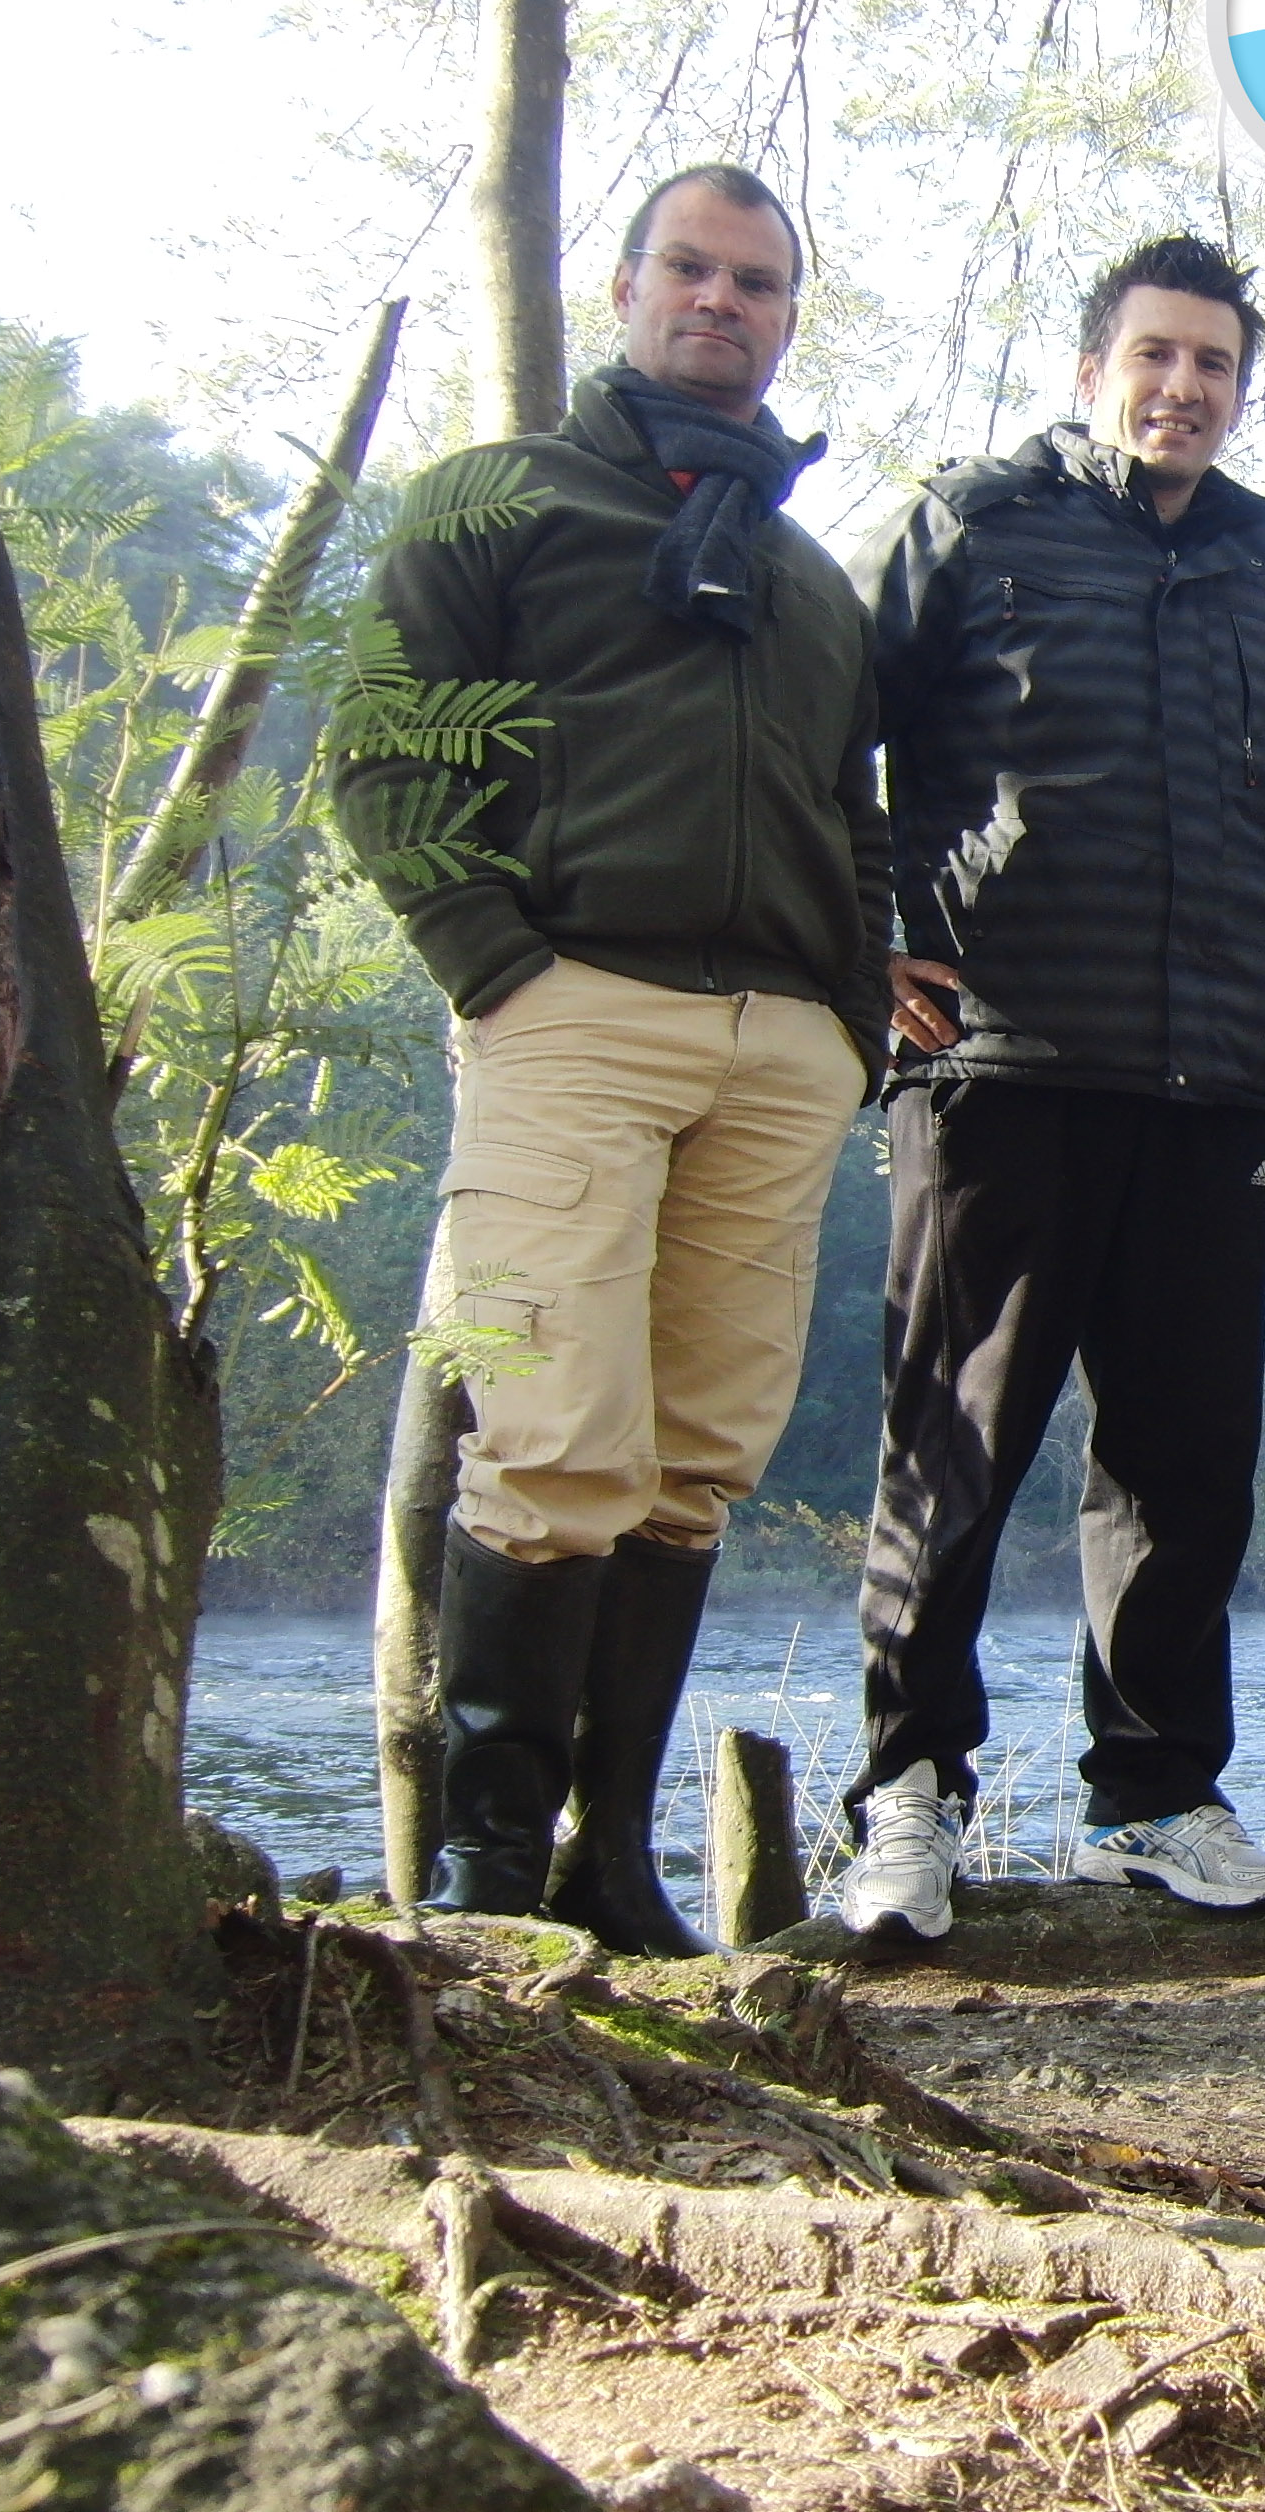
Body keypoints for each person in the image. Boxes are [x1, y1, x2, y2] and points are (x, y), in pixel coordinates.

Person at [338, 162, 886, 1955]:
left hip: (778, 1045)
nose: (722, 301)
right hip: (571, 1007)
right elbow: (384, 747)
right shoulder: (497, 503)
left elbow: (853, 817)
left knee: (695, 1455)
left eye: (758, 282)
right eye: (691, 269)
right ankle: (490, 1880)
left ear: (787, 318)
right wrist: (497, 967)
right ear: (631, 286)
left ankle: (615, 1867)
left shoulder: (810, 581)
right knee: (555, 1435)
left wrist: (848, 1024)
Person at [828, 236, 1265, 1944]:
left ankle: (1155, 1795)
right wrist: (860, 936)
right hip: (1001, 1062)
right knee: (954, 1440)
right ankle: (909, 1792)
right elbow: (814, 731)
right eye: (1156, 354)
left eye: (1216, 363)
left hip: (1214, 1086)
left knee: (1185, 1467)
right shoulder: (972, 527)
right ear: (1091, 370)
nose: (1184, 387)